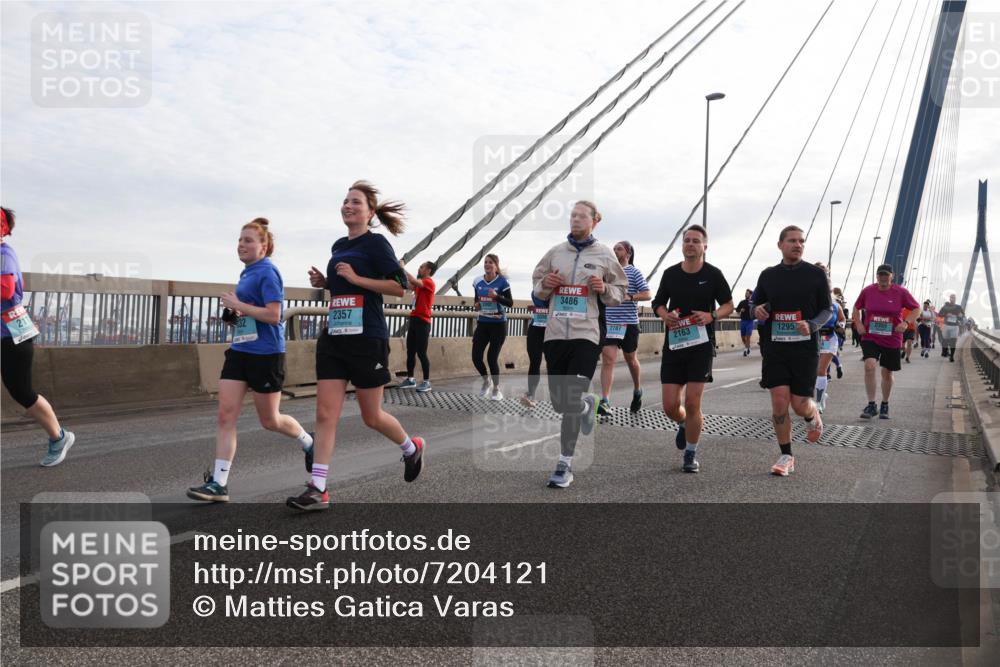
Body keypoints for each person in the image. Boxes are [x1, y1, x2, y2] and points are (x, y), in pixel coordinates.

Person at [289, 181, 426, 511]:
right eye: (345, 201)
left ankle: (412, 447)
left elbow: (400, 289)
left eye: (355, 202)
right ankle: (318, 488)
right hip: (335, 337)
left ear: (369, 211)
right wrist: (326, 283)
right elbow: (342, 288)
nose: (347, 206)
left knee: (372, 416)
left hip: (367, 339)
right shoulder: (338, 245)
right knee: (325, 414)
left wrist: (356, 279)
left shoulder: (377, 244)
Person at [188, 218, 314, 502]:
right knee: (225, 414)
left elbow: (273, 315)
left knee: (270, 420)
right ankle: (219, 484)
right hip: (241, 351)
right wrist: (235, 316)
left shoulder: (268, 272)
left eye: (248, 240)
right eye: (240, 240)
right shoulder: (247, 274)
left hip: (266, 354)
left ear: (264, 246)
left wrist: (238, 305)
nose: (241, 245)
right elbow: (252, 314)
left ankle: (308, 441)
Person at [532, 200, 626, 488]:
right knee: (562, 403)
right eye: (572, 215)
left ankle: (564, 464)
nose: (575, 219)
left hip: (586, 335)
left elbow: (620, 293)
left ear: (594, 221)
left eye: (581, 216)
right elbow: (537, 292)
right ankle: (588, 406)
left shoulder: (604, 255)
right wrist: (546, 283)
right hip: (556, 334)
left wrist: (605, 288)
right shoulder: (555, 253)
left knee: (570, 400)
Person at [652, 224, 734, 473]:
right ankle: (683, 423)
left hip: (701, 346)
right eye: (687, 240)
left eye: (696, 241)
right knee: (669, 406)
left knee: (693, 401)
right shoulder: (670, 274)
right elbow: (657, 303)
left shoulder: (713, 274)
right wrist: (665, 315)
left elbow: (728, 305)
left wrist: (712, 315)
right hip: (675, 345)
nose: (690, 244)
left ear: (704, 247)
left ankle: (690, 453)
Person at [753, 225, 831, 476]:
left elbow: (827, 310)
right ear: (780, 245)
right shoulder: (768, 275)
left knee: (799, 404)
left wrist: (812, 324)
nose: (797, 245)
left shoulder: (816, 275)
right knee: (779, 402)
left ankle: (813, 415)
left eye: (801, 241)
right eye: (792, 241)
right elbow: (755, 302)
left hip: (804, 349)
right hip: (775, 348)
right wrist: (757, 310)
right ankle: (786, 455)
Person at [0, 206, 76, 467]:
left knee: (21, 390)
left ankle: (59, 437)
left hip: (12, 332)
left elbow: (7, 289)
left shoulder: (4, 254)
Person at [852, 264, 920, 419]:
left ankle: (884, 404)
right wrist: (859, 324)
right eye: (880, 275)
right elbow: (856, 308)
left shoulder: (901, 292)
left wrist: (905, 323)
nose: (883, 277)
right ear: (877, 276)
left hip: (892, 338)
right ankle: (871, 405)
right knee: (869, 366)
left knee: (887, 372)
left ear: (892, 276)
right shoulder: (868, 291)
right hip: (871, 336)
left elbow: (917, 309)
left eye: (886, 275)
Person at [598, 240, 651, 415]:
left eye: (618, 249)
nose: (614, 251)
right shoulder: (607, 273)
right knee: (608, 360)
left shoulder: (634, 272)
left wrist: (630, 296)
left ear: (628, 253)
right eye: (613, 249)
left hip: (628, 323)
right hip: (611, 322)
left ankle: (637, 390)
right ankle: (605, 401)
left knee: (631, 359)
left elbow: (647, 294)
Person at [471, 254, 513, 400]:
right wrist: (476, 305)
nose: (487, 265)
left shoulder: (502, 282)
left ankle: (496, 389)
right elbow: (477, 300)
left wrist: (497, 297)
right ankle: (486, 381)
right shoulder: (477, 281)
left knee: (491, 358)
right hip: (483, 323)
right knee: (476, 357)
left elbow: (510, 303)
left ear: (496, 265)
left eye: (490, 262)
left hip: (498, 324)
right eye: (485, 262)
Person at [398, 260, 436, 392]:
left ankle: (426, 382)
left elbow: (413, 281)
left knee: (421, 353)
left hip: (423, 322)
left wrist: (402, 268)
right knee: (410, 351)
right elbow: (406, 284)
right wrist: (398, 273)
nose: (419, 269)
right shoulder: (419, 285)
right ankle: (411, 379)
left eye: (421, 267)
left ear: (428, 270)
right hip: (414, 319)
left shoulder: (428, 282)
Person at [812, 263, 843, 414]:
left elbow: (842, 319)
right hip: (811, 338)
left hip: (829, 338)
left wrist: (841, 325)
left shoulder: (835, 304)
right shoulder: (808, 294)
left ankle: (817, 402)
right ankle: (821, 393)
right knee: (811, 371)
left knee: (821, 369)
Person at [520, 293, 549, 408]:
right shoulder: (537, 288)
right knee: (534, 362)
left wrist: (542, 309)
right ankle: (531, 395)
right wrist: (536, 309)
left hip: (553, 329)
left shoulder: (559, 288)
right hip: (536, 327)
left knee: (553, 363)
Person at [937, 294, 965, 362]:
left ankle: (952, 356)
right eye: (951, 298)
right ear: (950, 299)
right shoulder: (945, 307)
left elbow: (963, 316)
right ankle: (944, 351)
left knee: (953, 341)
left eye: (954, 298)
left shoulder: (959, 307)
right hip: (946, 325)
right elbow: (939, 314)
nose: (953, 299)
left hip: (955, 326)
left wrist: (960, 316)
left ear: (955, 299)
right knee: (945, 340)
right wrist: (946, 314)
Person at [735, 289, 755, 357]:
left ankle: (745, 350)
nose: (746, 294)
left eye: (747, 293)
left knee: (748, 336)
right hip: (743, 321)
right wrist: (740, 310)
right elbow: (737, 310)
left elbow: (756, 310)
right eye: (745, 293)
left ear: (750, 295)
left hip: (750, 321)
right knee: (743, 338)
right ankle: (748, 347)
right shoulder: (742, 302)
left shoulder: (753, 302)